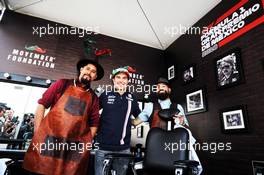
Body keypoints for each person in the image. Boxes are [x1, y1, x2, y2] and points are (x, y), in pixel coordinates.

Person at [23, 58, 104, 175]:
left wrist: (86, 144)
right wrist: (38, 132)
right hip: (50, 140)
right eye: (87, 69)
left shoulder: (93, 98)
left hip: (73, 147)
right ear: (81, 69)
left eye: (93, 72)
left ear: (95, 77)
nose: (89, 72)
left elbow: (94, 123)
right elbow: (42, 104)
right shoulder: (62, 83)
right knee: (42, 171)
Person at [94, 66, 148, 175]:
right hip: (103, 147)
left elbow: (139, 117)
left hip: (123, 149)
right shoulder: (105, 94)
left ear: (128, 81)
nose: (121, 80)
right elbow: (93, 113)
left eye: (124, 78)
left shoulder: (132, 98)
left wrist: (143, 116)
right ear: (113, 80)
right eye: (118, 77)